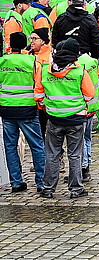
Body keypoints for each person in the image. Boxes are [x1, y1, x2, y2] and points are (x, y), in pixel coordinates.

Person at [35, 38, 97, 199]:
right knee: (75, 155)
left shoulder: (45, 70)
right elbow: (90, 95)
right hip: (76, 120)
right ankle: (76, 189)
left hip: (54, 119)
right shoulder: (79, 72)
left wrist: (48, 107)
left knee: (52, 154)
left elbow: (38, 96)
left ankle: (48, 188)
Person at [0, 32, 44, 194]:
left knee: (10, 146)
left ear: (10, 45)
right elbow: (39, 85)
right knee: (37, 146)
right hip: (28, 110)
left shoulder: (2, 61)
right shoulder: (32, 61)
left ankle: (16, 182)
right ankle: (41, 182)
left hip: (7, 110)